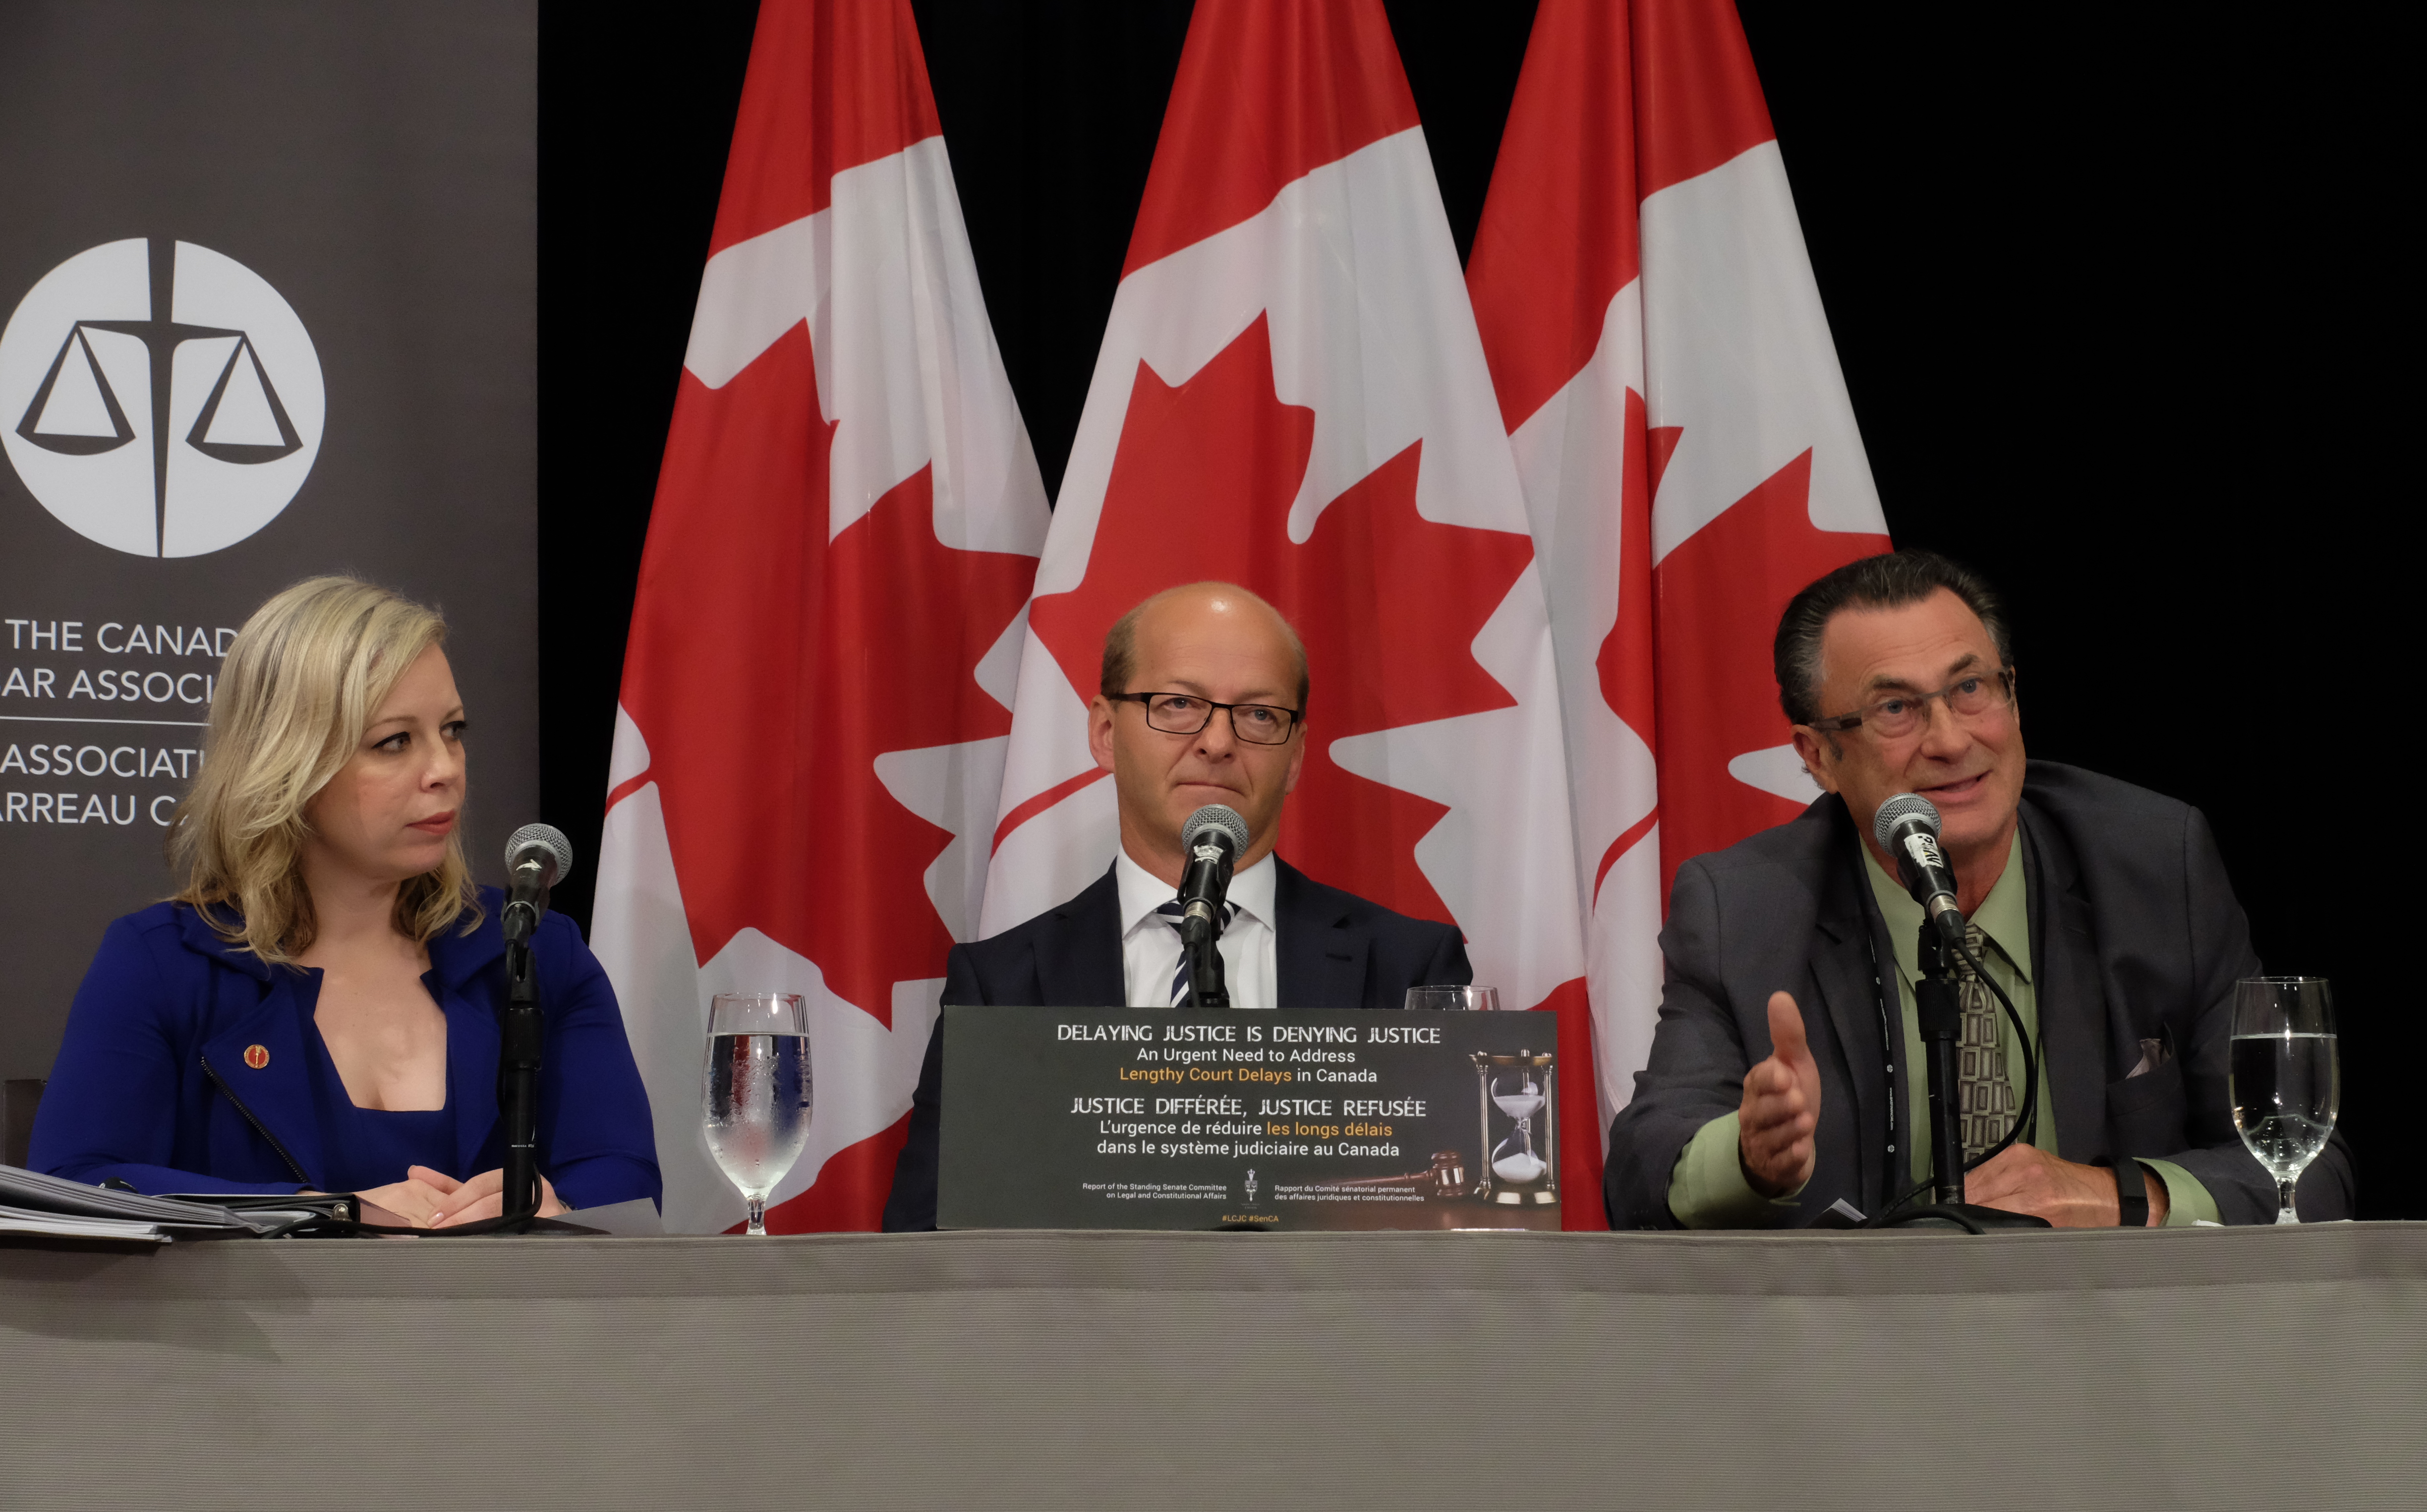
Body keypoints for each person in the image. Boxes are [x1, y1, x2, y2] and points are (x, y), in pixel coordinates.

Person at [1604, 551, 2354, 1229]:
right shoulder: (1743, 909)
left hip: (2119, 1352)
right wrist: (1748, 1158)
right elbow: (1642, 1170)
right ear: (1820, 756)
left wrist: (2116, 1196)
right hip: (1857, 1358)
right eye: (1895, 708)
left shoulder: (2156, 867)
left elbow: (2309, 1169)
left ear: (2014, 699)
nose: (1951, 740)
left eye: (1970, 688)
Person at [31, 577, 659, 1226]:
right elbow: (77, 1182)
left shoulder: (533, 951)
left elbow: (623, 1176)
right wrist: (324, 1214)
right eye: (395, 741)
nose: (444, 768)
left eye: (453, 729)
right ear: (288, 762)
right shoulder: (164, 963)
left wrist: (556, 1204)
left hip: (504, 1327)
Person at [882, 582, 1471, 1230]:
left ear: (1297, 755)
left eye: (1259, 715)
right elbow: (926, 1252)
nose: (1218, 742)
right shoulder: (1002, 986)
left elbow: (1460, 1239)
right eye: (1179, 704)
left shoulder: (1409, 968)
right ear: (1105, 732)